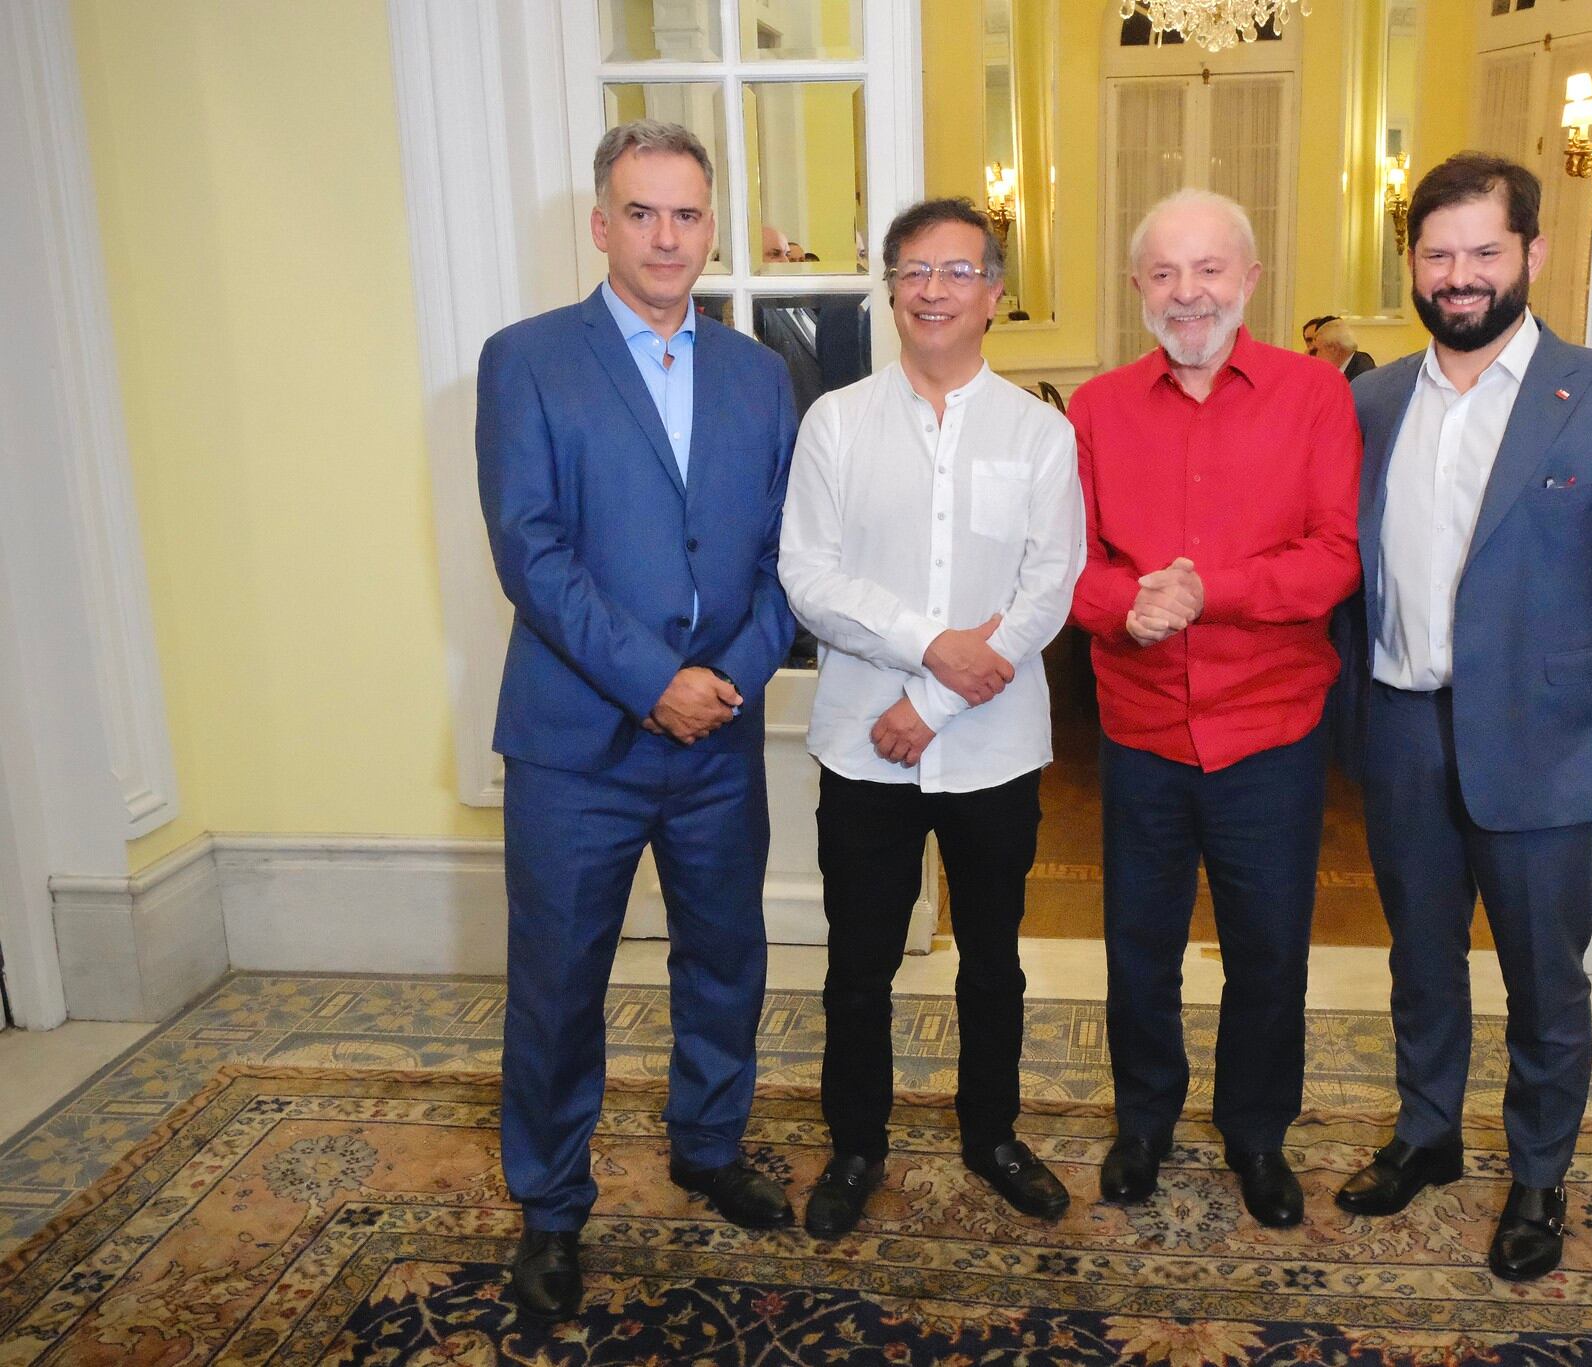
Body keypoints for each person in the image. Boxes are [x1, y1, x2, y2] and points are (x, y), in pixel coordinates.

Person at [1331, 153, 1592, 1281]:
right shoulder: (1371, 400)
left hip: (1549, 746)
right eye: (1437, 253)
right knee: (1420, 956)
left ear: (1531, 255)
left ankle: (1538, 1172)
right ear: (1412, 264)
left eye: (1483, 251)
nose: (1458, 275)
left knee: (1544, 976)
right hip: (1398, 726)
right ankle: (1426, 1132)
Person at [475, 120, 799, 1324]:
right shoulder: (527, 360)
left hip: (717, 734)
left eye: (688, 214)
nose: (668, 237)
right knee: (558, 981)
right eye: (643, 212)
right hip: (578, 741)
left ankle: (709, 1145)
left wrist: (732, 674)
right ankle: (552, 1204)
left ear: (711, 226)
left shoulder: (761, 374)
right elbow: (532, 551)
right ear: (602, 225)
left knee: (725, 956)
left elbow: (783, 556)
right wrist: (650, 678)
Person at [779, 197, 1084, 1237]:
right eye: (914, 270)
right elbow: (807, 578)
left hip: (992, 746)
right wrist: (929, 643)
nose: (934, 290)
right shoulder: (835, 422)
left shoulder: (1040, 434)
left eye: (958, 271)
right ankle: (857, 1141)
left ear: (994, 292)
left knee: (992, 954)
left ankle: (991, 1132)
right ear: (891, 288)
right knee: (856, 962)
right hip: (862, 746)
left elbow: (1048, 590)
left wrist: (934, 697)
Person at [1070, 189, 1362, 1228]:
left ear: (1250, 280)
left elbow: (1334, 556)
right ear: (1137, 287)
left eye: (1207, 270)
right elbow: (1072, 563)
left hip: (1270, 728)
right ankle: (1143, 1120)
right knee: (1138, 945)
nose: (1186, 293)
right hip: (1140, 727)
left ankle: (1254, 1130)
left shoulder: (1316, 397)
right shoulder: (1094, 409)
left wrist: (1208, 592)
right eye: (1163, 272)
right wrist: (1123, 603)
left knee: (1268, 947)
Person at [1310, 316, 1379, 381]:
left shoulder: (1360, 375)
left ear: (1333, 348)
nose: (1317, 355)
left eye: (1319, 350)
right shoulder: (1349, 365)